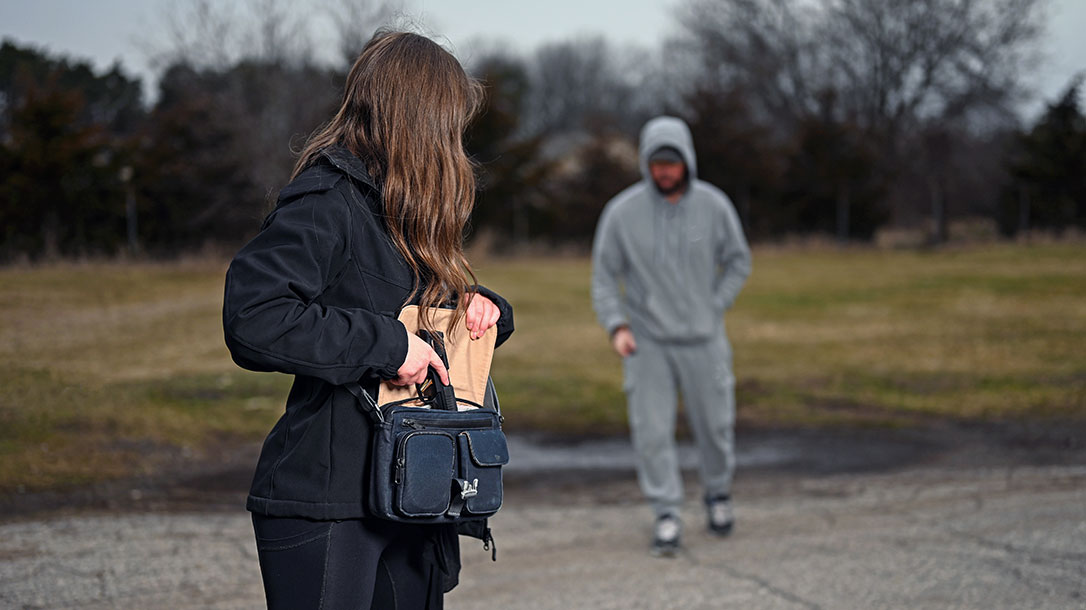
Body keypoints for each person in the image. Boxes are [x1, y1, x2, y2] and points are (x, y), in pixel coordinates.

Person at [222, 30, 514, 609]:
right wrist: (387, 347)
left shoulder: (402, 211)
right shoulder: (326, 199)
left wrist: (484, 307)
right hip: (326, 501)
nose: (455, 141)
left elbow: (403, 304)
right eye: (450, 123)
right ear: (418, 118)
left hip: (413, 494)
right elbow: (255, 316)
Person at [591, 116, 751, 557]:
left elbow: (738, 261)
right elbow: (604, 277)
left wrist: (716, 304)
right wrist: (617, 325)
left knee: (716, 428)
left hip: (705, 338)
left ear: (687, 162)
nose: (665, 171)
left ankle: (718, 495)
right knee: (652, 432)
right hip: (648, 343)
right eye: (657, 162)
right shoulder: (622, 213)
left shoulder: (715, 206)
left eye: (672, 163)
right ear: (645, 163)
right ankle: (666, 513)